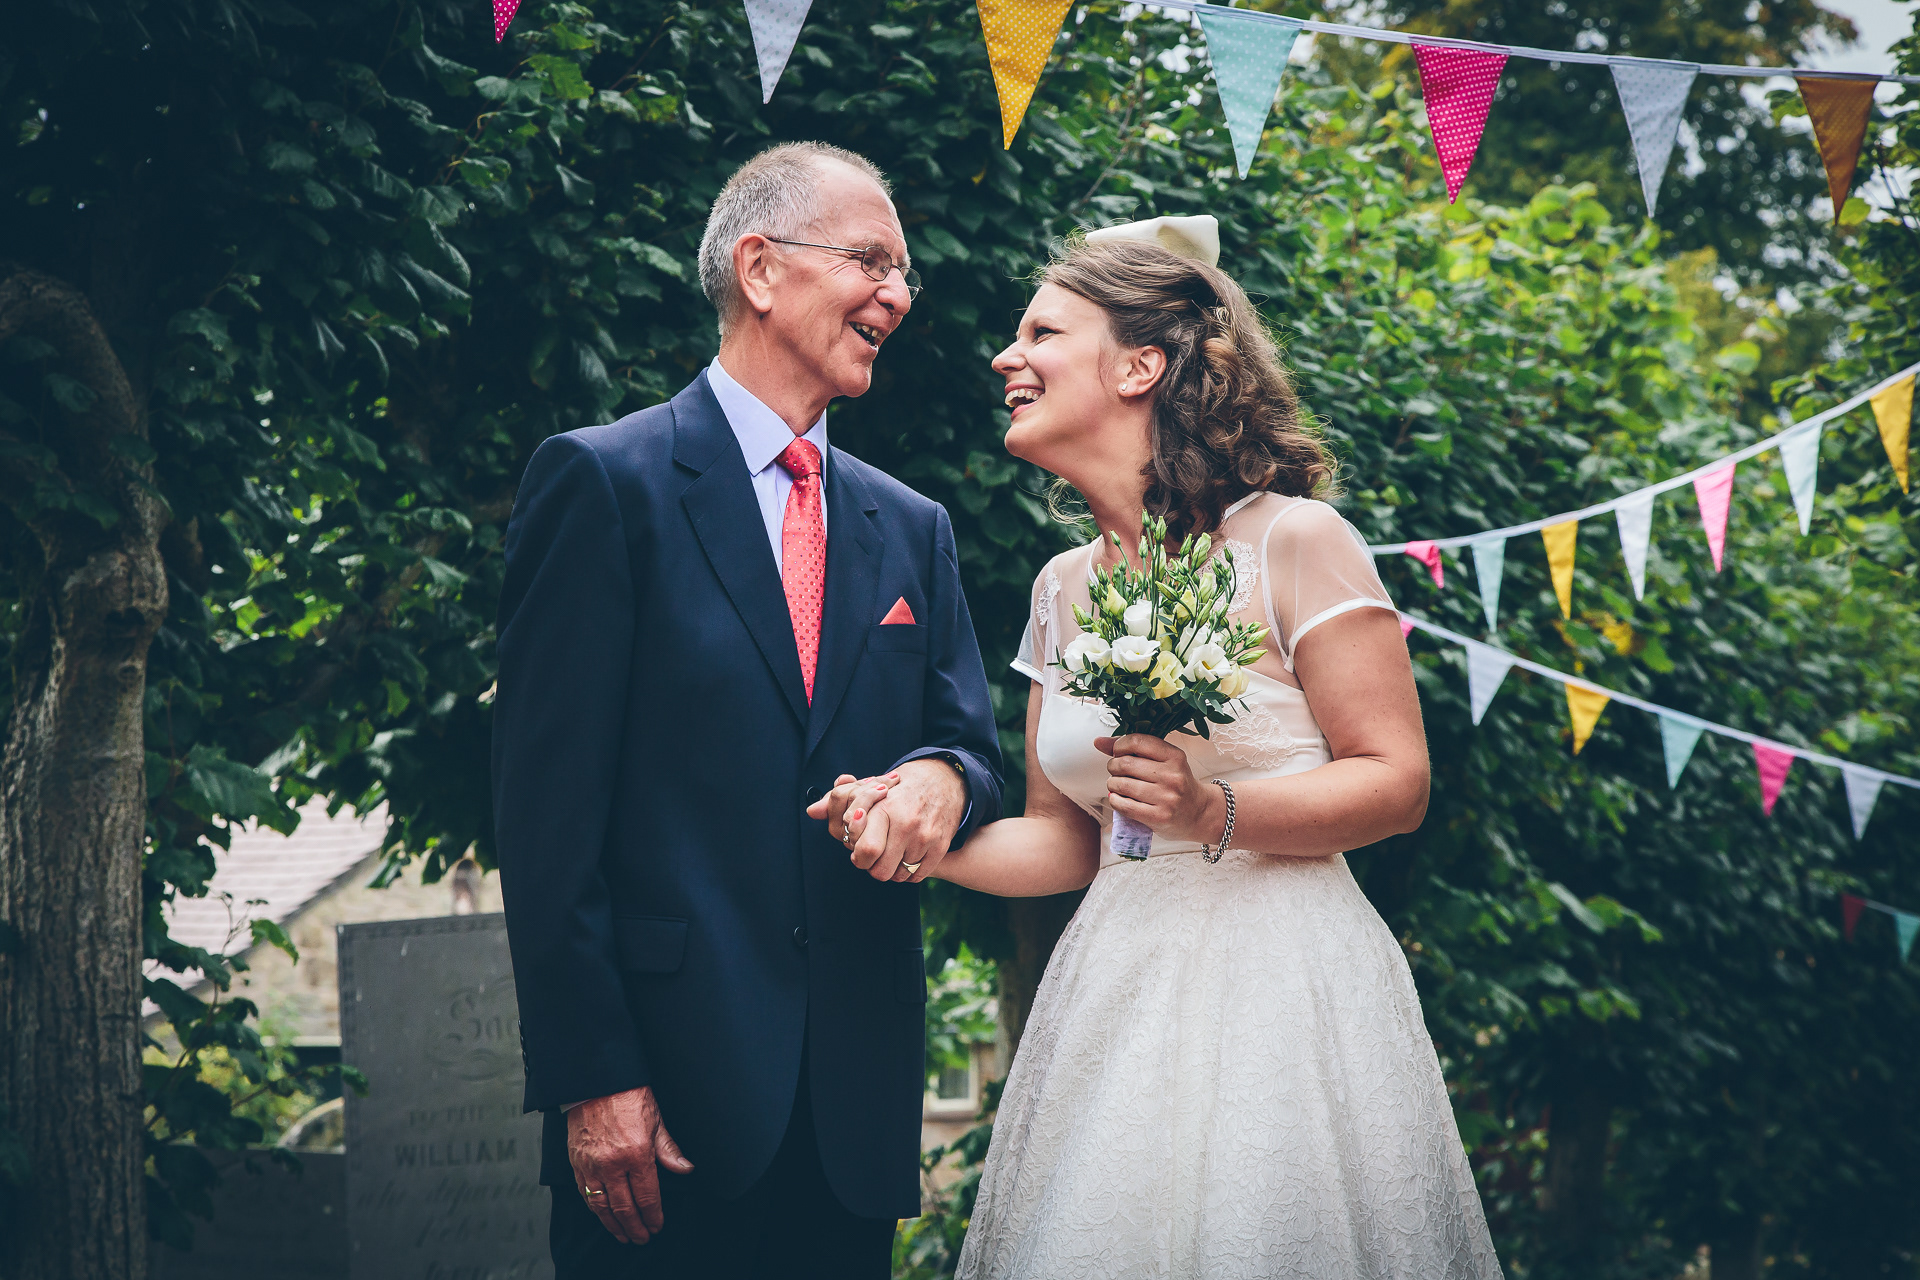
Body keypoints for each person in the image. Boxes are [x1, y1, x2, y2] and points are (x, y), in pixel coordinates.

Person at [827, 218, 1503, 1277]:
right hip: (1118, 984)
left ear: (1141, 364)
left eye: (1041, 331)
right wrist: (915, 832)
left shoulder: (1295, 540)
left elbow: (1397, 781)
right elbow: (1062, 841)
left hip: (1285, 985)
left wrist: (1212, 813)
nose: (1008, 357)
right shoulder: (1060, 587)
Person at [491, 141, 1004, 1279]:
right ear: (761, 268)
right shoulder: (602, 483)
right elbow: (545, 817)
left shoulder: (914, 525)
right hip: (660, 1115)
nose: (899, 295)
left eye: (905, 273)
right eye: (871, 260)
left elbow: (973, 744)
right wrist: (595, 1077)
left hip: (851, 1116)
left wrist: (941, 777)